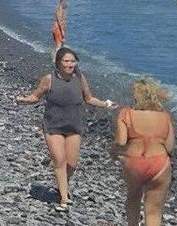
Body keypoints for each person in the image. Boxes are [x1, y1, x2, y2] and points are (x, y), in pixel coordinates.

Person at [14, 47, 116, 211]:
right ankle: (63, 198)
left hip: (74, 125)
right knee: (59, 160)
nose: (69, 64)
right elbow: (36, 96)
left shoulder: (79, 77)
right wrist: (23, 100)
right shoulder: (49, 79)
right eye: (66, 61)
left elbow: (88, 98)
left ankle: (61, 185)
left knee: (72, 164)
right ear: (58, 63)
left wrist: (105, 104)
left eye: (72, 61)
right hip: (53, 125)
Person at [111, 79, 175, 226]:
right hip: (160, 163)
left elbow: (121, 142)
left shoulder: (126, 114)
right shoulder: (165, 117)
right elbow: (170, 147)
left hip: (135, 162)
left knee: (133, 195)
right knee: (154, 211)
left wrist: (113, 151)